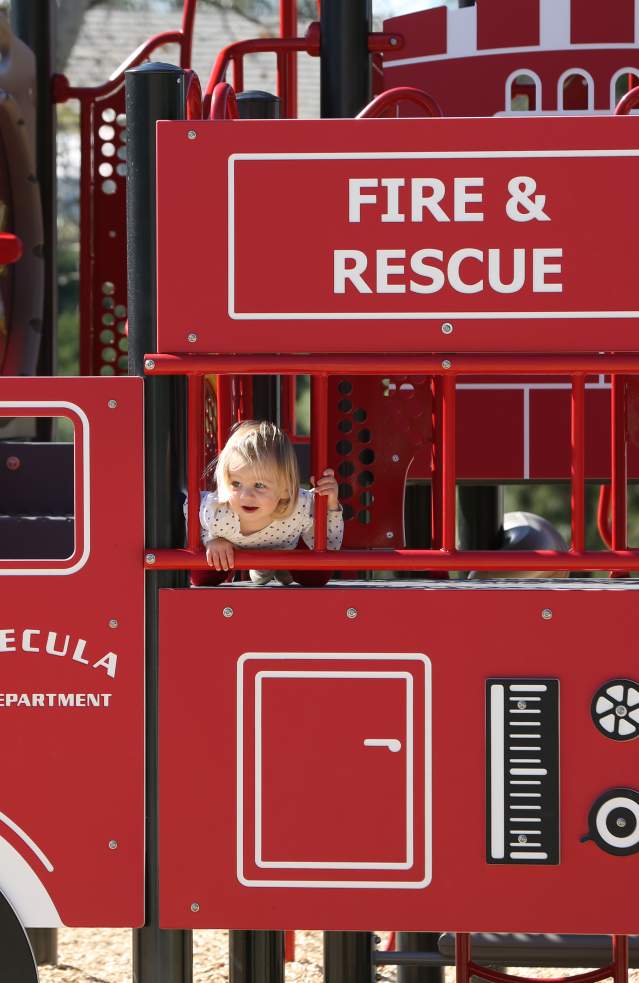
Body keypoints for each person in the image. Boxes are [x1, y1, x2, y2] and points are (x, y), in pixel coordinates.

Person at [199, 419, 343, 586]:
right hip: (235, 551)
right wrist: (211, 540)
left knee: (318, 575)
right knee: (203, 576)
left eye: (259, 485)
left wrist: (330, 505)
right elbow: (192, 511)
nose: (246, 496)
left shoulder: (300, 506)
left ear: (285, 489)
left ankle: (281, 568)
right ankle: (262, 568)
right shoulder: (219, 510)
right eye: (236, 483)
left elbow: (329, 546)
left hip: (286, 550)